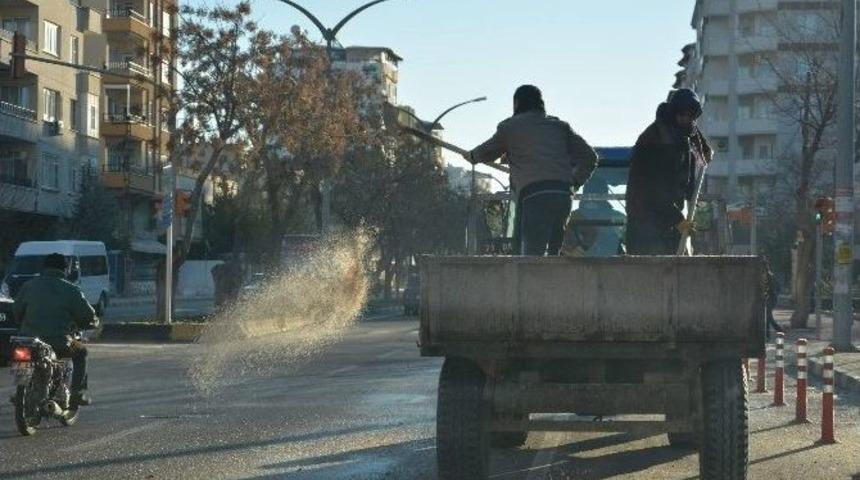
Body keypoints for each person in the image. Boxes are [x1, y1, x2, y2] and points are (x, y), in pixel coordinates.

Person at [466, 85, 598, 255]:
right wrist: (574, 182)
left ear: (517, 103)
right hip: (563, 194)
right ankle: (554, 280)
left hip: (534, 196)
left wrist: (472, 156)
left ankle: (534, 281)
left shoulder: (510, 127)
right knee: (554, 252)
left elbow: (486, 152)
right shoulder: (558, 126)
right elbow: (590, 157)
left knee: (532, 256)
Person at [625, 89, 713, 255]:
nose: (686, 120)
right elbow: (652, 190)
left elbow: (705, 155)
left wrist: (697, 137)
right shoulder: (655, 140)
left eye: (691, 116)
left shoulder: (683, 136)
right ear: (673, 114)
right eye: (682, 115)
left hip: (668, 220)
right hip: (646, 222)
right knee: (650, 273)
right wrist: (677, 219)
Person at [12, 253, 98, 406]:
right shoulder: (71, 289)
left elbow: (16, 312)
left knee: (22, 354)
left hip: (29, 339)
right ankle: (76, 394)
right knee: (82, 352)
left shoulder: (29, 286)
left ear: (44, 268)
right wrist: (92, 323)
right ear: (65, 269)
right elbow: (88, 316)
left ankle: (19, 390)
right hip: (58, 341)